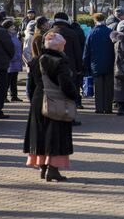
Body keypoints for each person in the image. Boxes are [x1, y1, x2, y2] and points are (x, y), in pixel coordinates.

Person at [24, 32, 78, 181]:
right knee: (56, 135)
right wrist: (74, 96)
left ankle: (43, 167)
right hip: (56, 102)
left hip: (38, 100)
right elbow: (65, 84)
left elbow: (32, 84)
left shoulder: (36, 60)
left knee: (40, 133)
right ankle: (53, 169)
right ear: (59, 46)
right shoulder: (59, 62)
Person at [83, 13, 115, 114]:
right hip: (109, 63)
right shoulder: (110, 32)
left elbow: (86, 51)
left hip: (95, 64)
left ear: (95, 20)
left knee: (98, 87)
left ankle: (99, 108)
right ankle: (108, 108)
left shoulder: (91, 33)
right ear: (104, 19)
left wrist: (86, 65)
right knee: (109, 87)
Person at [2, 19, 23, 102]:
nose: (13, 27)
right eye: (11, 26)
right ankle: (4, 97)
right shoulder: (6, 36)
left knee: (14, 81)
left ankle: (14, 96)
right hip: (10, 61)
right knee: (7, 81)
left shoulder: (14, 35)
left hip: (16, 61)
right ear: (7, 28)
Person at [22, 21, 36, 99]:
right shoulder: (29, 36)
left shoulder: (31, 36)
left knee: (31, 77)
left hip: (32, 61)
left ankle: (30, 92)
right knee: (30, 77)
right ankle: (28, 93)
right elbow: (26, 51)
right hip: (31, 61)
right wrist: (29, 62)